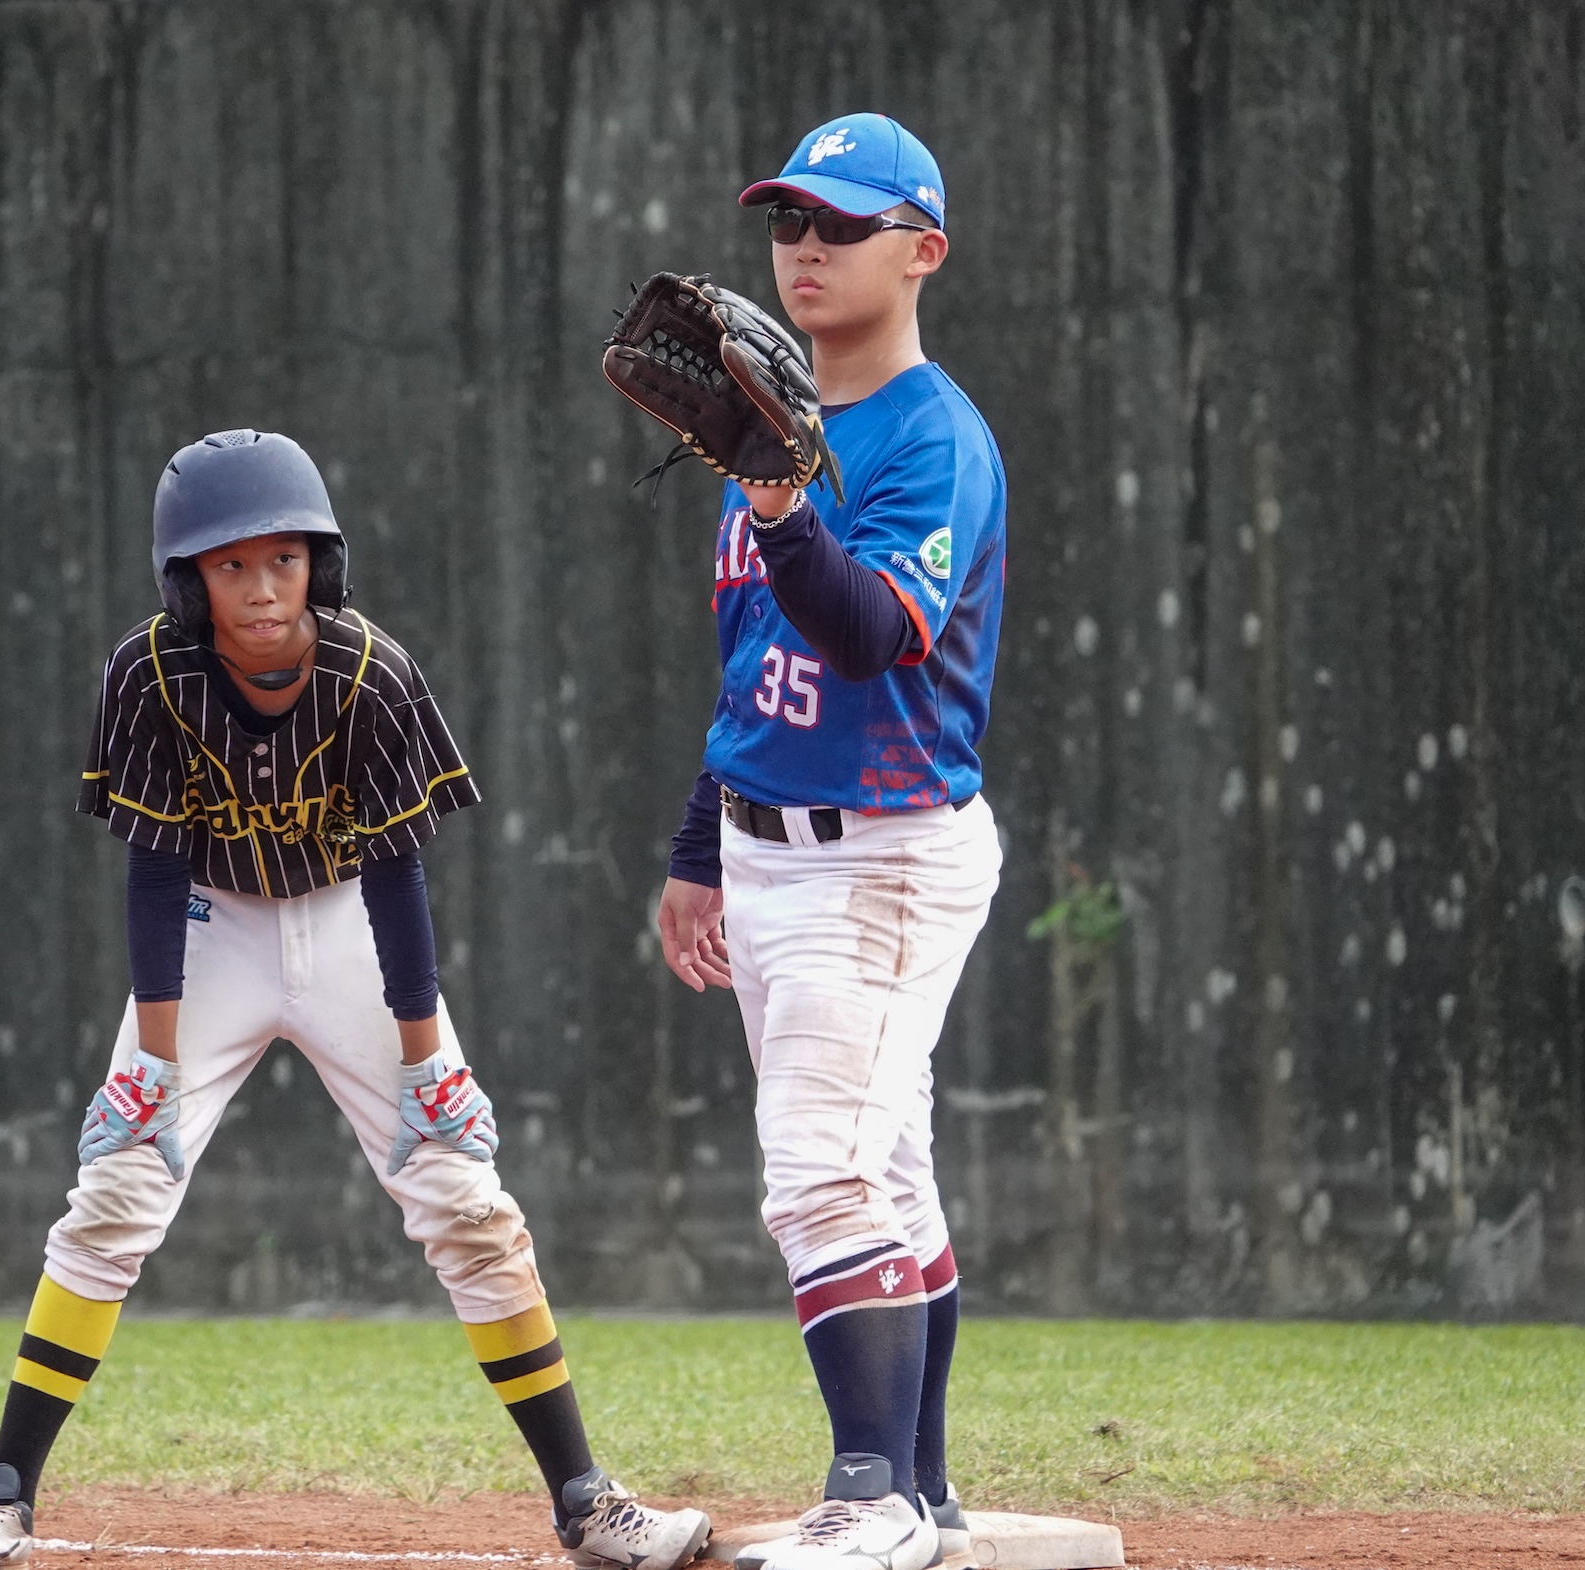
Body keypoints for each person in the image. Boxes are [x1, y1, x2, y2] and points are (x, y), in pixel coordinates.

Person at [0, 430, 710, 1570]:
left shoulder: (373, 672)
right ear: (191, 582)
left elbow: (395, 877)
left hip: (344, 924)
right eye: (229, 565)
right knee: (118, 1188)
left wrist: (427, 1058)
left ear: (318, 565)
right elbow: (150, 868)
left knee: (462, 1194)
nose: (261, 585)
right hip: (209, 926)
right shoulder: (149, 673)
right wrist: (150, 1058)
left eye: (282, 557)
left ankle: (586, 1501)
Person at [652, 114, 1008, 1570]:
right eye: (790, 219)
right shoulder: (771, 438)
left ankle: (868, 1495)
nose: (805, 244)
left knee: (816, 1168)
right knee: (885, 1161)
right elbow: (752, 662)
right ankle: (920, 1488)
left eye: (842, 223)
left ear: (921, 251)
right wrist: (695, 846)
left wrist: (786, 496)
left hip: (887, 850)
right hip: (774, 843)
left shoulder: (934, 437)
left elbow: (867, 638)